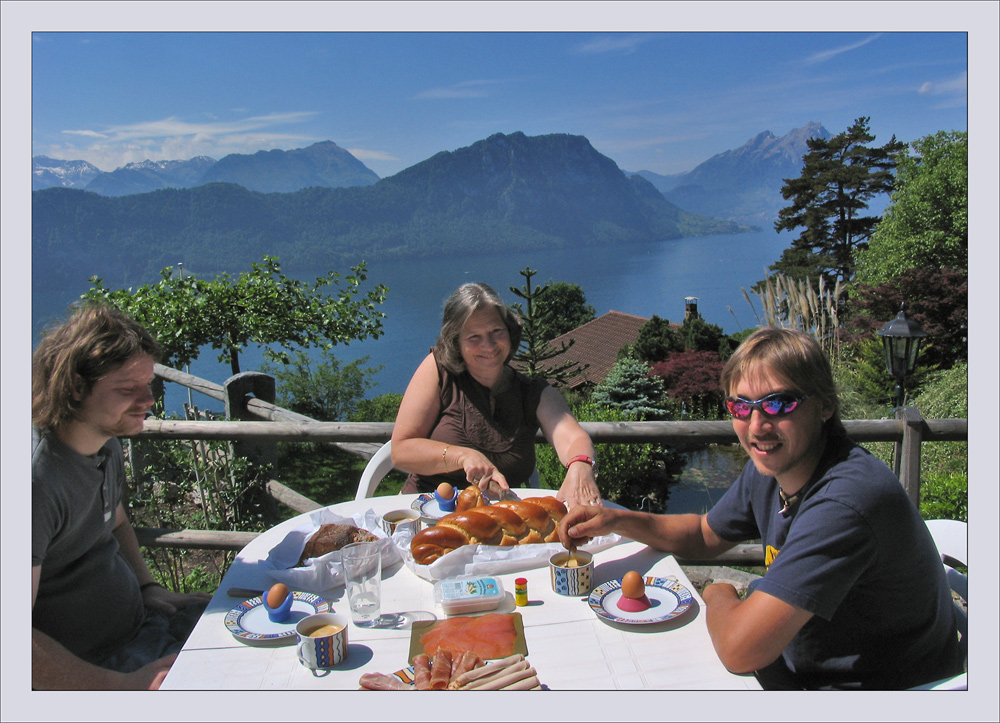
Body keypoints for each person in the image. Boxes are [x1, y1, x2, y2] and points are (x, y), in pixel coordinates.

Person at [558, 327, 964, 689]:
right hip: (796, 667)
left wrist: (720, 595)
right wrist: (615, 519)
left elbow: (740, 649)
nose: (756, 426)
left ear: (824, 406)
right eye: (740, 406)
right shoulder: (775, 467)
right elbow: (704, 535)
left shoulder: (845, 502)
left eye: (779, 404)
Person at [31, 303, 211, 690]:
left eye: (148, 384)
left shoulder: (105, 442)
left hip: (144, 626)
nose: (148, 400)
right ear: (77, 387)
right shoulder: (35, 482)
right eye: (128, 389)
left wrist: (149, 589)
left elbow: (115, 521)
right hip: (97, 667)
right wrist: (120, 687)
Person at [391, 282, 602, 508]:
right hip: (425, 513)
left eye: (496, 332)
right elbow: (401, 450)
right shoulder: (439, 371)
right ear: (456, 343)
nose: (489, 345)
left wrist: (580, 466)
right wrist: (462, 456)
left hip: (498, 522)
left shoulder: (533, 392)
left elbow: (573, 438)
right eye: (474, 337)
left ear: (510, 333)